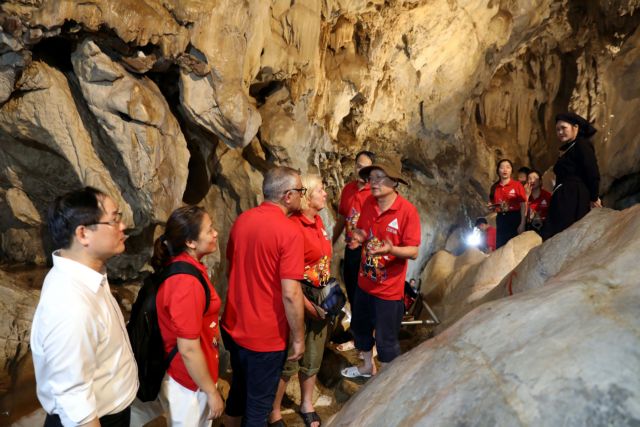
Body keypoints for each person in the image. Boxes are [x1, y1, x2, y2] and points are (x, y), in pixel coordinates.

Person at [30, 187, 138, 427]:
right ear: (83, 234)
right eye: (114, 219)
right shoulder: (70, 304)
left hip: (111, 412)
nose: (122, 227)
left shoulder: (85, 275)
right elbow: (73, 400)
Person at [222, 166, 306, 427]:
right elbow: (291, 294)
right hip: (265, 336)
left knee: (238, 390)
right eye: (301, 191)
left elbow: (230, 270)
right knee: (258, 408)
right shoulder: (289, 231)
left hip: (235, 326)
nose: (302, 196)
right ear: (288, 195)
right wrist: (299, 337)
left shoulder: (242, 220)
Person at [341, 156, 421, 378]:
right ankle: (367, 366)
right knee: (361, 330)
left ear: (394, 182)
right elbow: (366, 231)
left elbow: (413, 251)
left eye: (379, 178)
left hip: (388, 290)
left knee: (386, 341)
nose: (373, 183)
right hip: (364, 282)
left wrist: (391, 250)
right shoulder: (368, 204)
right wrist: (359, 235)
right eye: (371, 178)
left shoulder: (407, 211)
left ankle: (386, 382)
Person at [151, 206, 224, 426]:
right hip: (188, 384)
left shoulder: (191, 269)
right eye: (209, 230)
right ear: (190, 242)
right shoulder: (185, 283)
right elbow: (189, 349)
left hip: (195, 379)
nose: (215, 233)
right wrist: (211, 392)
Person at [269, 174, 331, 427]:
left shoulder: (318, 222)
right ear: (307, 195)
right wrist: (307, 306)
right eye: (321, 190)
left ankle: (306, 403)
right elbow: (285, 277)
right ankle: (273, 412)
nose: (325, 194)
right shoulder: (293, 226)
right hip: (300, 299)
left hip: (320, 297)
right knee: (290, 358)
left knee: (314, 355)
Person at [543, 112, 601, 239]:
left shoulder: (581, 145)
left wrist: (594, 196)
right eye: (557, 129)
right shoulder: (569, 148)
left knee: (565, 235)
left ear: (575, 127)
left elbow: (592, 171)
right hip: (565, 196)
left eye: (563, 128)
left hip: (573, 196)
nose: (560, 132)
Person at [333, 151, 374, 308]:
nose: (361, 170)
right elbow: (342, 218)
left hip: (368, 250)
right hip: (351, 248)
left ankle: (366, 329)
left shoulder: (374, 193)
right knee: (351, 287)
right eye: (359, 166)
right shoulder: (348, 189)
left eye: (366, 168)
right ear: (355, 166)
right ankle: (356, 327)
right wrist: (331, 243)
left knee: (365, 293)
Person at [488, 159, 526, 248]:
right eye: (502, 167)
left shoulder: (517, 185)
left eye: (508, 167)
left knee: (515, 247)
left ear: (511, 170)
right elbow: (493, 204)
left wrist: (522, 223)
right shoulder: (495, 187)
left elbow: (523, 205)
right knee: (501, 247)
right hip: (501, 219)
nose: (505, 170)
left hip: (514, 218)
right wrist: (491, 207)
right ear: (498, 170)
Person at [518, 169, 552, 235]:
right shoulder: (524, 196)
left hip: (545, 227)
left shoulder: (547, 195)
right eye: (529, 178)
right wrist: (527, 196)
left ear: (540, 181)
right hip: (529, 228)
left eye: (535, 178)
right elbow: (523, 215)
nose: (532, 180)